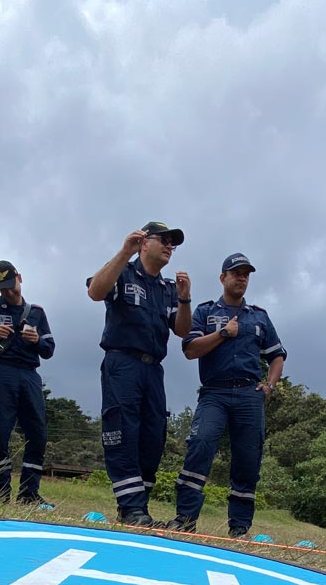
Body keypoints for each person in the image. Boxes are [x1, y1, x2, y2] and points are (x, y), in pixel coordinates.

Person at [168, 253, 285, 538]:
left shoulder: (259, 316)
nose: (241, 278)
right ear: (223, 278)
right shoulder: (206, 312)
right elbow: (190, 350)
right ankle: (185, 519)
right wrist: (222, 333)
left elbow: (277, 355)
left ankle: (240, 528)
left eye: (246, 274)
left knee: (248, 460)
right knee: (200, 447)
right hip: (214, 394)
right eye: (236, 273)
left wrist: (268, 386)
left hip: (249, 394)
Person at [86, 222, 192, 526]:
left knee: (152, 437)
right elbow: (95, 292)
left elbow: (183, 330)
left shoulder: (168, 288)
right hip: (122, 363)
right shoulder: (123, 272)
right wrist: (124, 252)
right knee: (123, 432)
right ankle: (131, 508)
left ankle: (137, 509)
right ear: (144, 242)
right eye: (165, 240)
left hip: (153, 369)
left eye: (174, 242)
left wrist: (184, 298)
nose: (170, 246)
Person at [0, 261, 55, 506]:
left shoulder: (36, 312)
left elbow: (49, 350)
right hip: (1, 374)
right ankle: (2, 491)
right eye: (3, 289)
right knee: (0, 434)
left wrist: (36, 340)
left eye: (11, 286)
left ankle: (29, 493)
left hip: (29, 375)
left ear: (20, 278)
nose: (9, 292)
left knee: (37, 434)